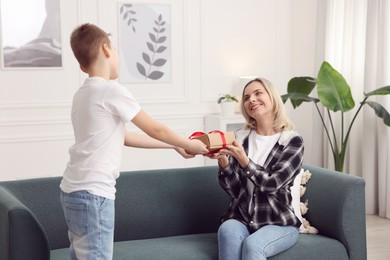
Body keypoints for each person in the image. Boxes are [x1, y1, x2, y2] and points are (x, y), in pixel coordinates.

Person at [59, 23, 208, 260]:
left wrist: (175, 145)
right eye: (116, 49)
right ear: (107, 49)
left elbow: (125, 137)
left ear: (81, 65)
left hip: (72, 192)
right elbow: (155, 128)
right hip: (95, 195)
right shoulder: (111, 90)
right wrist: (189, 143)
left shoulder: (83, 94)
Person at [207, 78, 304, 260]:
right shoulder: (240, 138)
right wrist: (223, 162)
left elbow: (272, 184)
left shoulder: (291, 140)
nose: (251, 99)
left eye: (258, 93)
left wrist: (244, 161)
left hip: (279, 222)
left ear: (273, 98)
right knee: (227, 229)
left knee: (253, 245)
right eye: (246, 97)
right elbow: (235, 191)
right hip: (241, 218)